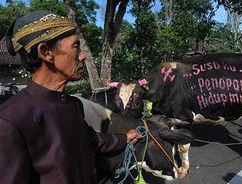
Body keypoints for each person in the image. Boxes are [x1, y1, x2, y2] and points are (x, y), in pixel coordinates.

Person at [0, 10, 140, 183]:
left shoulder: (73, 104)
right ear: (46, 52)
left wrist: (125, 137)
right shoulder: (9, 121)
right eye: (75, 46)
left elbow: (91, 140)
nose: (83, 55)